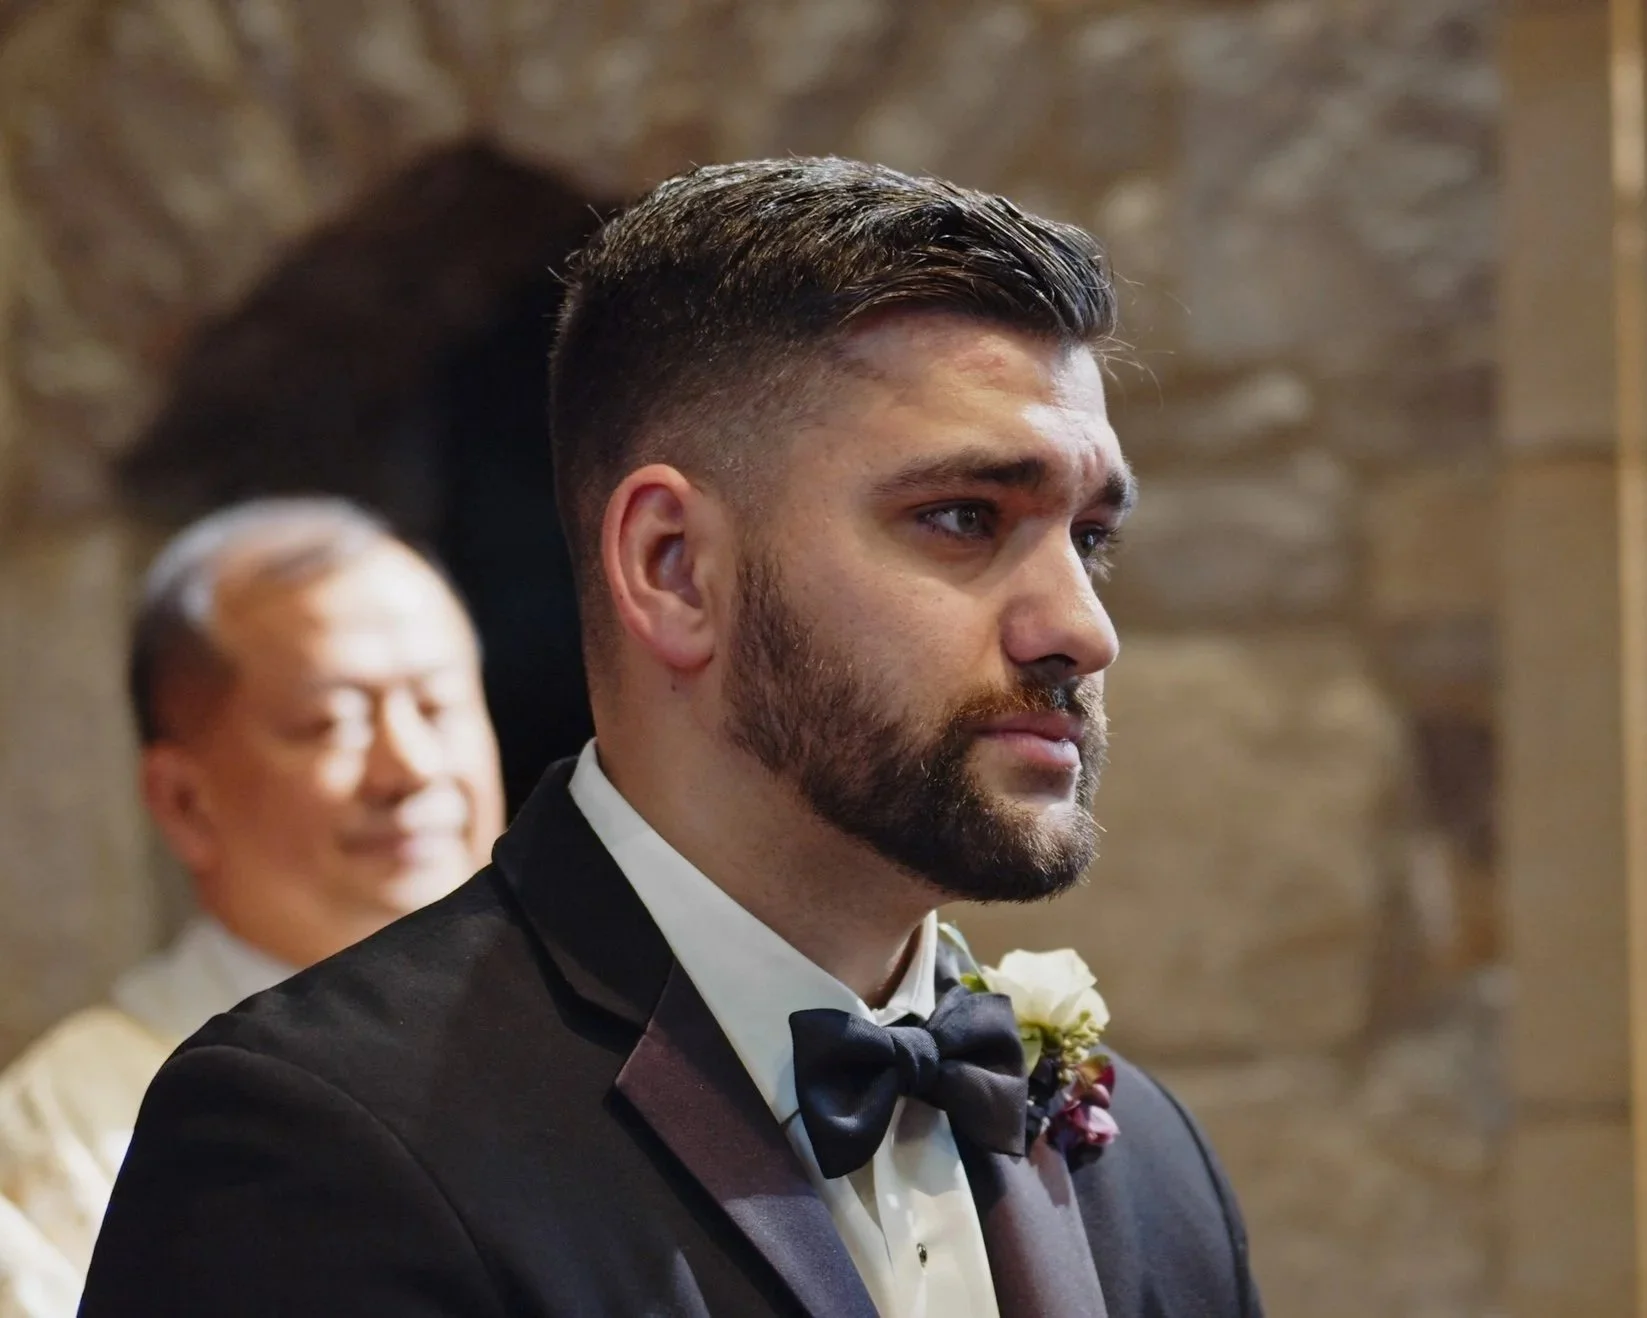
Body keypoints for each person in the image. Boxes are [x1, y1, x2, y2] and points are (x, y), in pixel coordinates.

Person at [81, 160, 1264, 1318]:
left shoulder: (1147, 1166)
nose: (1082, 628)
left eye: (1091, 537)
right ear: (674, 568)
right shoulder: (321, 1151)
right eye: (962, 517)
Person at [0, 498, 504, 1317]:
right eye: (330, 721)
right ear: (183, 802)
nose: (408, 768)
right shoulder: (72, 1130)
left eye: (439, 705)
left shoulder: (603, 1035)